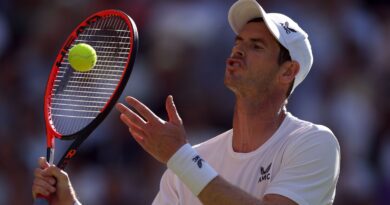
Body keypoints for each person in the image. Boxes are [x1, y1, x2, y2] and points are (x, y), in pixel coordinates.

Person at [32, 0, 340, 204]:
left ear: (288, 72)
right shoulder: (191, 162)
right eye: (238, 42)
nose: (237, 52)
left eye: (256, 46)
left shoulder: (314, 142)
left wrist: (179, 157)